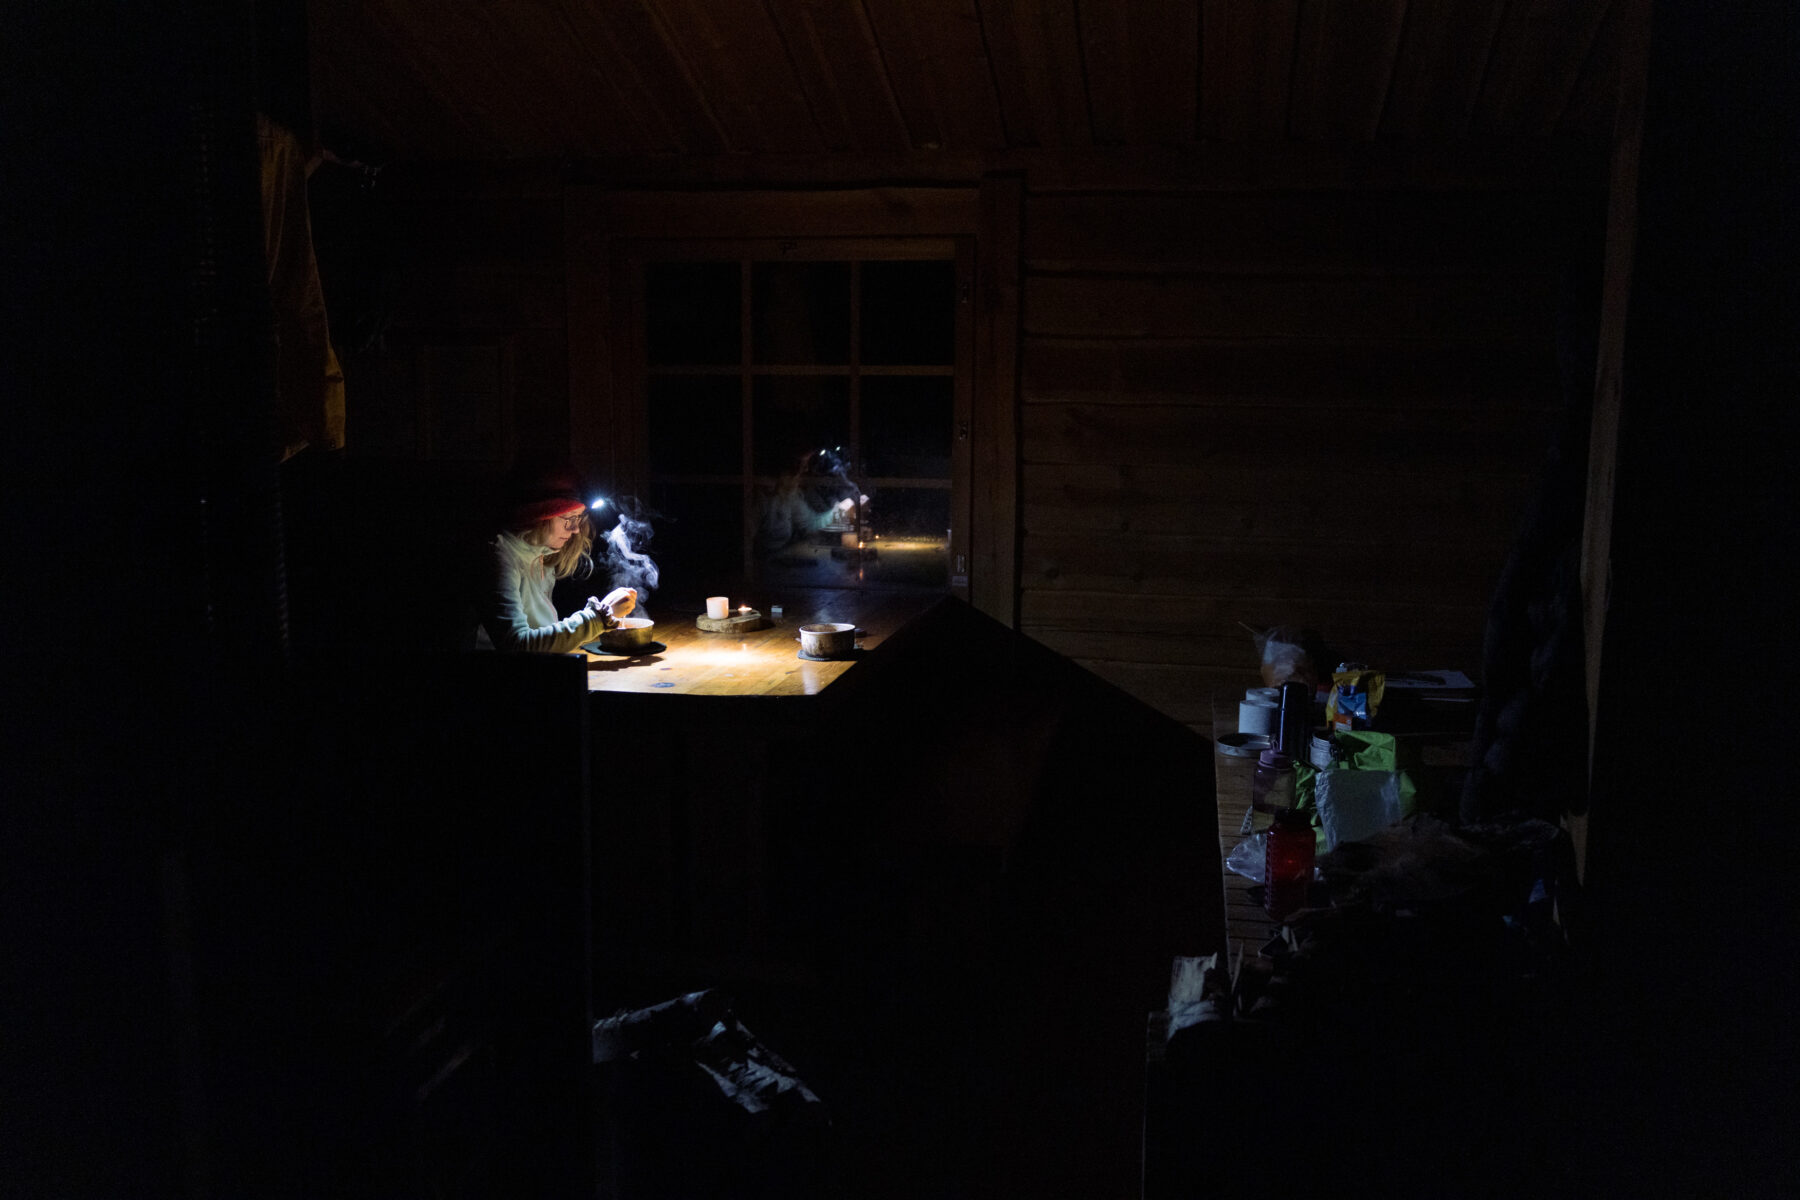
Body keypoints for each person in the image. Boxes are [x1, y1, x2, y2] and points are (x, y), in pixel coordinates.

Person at [477, 472, 637, 653]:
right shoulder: (500, 557)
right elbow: (517, 645)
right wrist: (599, 617)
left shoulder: (542, 555)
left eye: (578, 518)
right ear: (539, 515)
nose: (576, 529)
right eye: (568, 518)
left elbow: (542, 636)